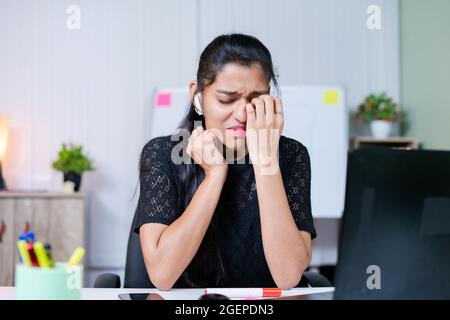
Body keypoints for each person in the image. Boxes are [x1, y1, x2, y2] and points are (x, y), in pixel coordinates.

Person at [134, 33, 316, 290]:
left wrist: (265, 161)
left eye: (256, 100)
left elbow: (288, 277)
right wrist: (215, 175)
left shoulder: (292, 155)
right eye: (226, 99)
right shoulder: (162, 153)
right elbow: (162, 275)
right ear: (198, 97)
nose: (242, 114)